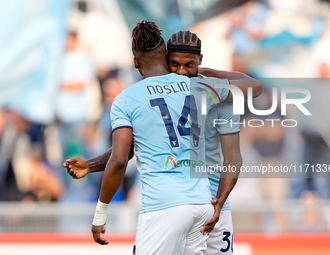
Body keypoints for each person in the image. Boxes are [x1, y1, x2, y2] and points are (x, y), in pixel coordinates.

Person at [64, 28, 262, 254]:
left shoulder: (130, 98)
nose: (181, 71)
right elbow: (254, 87)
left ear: (136, 63)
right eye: (175, 64)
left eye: (189, 65)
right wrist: (90, 165)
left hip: (181, 204)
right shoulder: (204, 89)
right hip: (203, 204)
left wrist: (100, 213)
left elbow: (121, 157)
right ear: (165, 57)